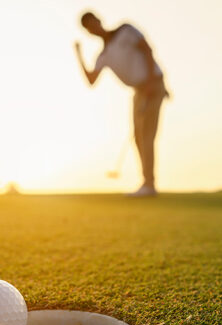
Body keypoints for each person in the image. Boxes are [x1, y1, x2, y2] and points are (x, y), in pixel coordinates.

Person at [75, 11, 168, 197]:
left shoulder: (126, 29)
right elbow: (91, 80)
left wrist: (150, 83)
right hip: (139, 91)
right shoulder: (104, 54)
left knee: (146, 133)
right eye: (88, 27)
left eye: (93, 22)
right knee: (138, 136)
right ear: (88, 32)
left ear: (99, 20)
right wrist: (78, 54)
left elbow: (147, 50)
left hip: (153, 84)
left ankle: (149, 185)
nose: (93, 28)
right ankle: (147, 182)